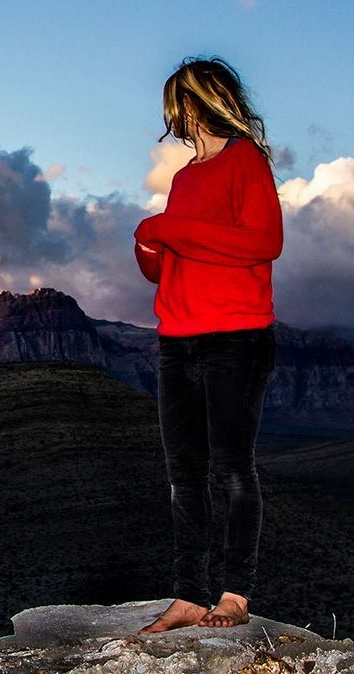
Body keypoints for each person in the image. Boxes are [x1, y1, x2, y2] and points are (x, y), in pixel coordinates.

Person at [131, 56, 284, 635]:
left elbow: (264, 242)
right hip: (178, 338)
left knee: (232, 471)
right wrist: (149, 246)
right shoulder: (184, 179)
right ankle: (190, 597)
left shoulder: (247, 162)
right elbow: (165, 271)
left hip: (237, 338)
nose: (181, 113)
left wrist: (168, 229)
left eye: (185, 101)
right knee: (184, 474)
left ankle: (234, 594)